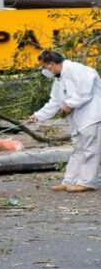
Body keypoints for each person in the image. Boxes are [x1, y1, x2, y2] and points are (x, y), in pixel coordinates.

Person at [27, 50, 101, 192]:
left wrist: (68, 106)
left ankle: (86, 182)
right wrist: (38, 116)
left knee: (89, 149)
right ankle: (69, 180)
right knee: (78, 149)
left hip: (92, 115)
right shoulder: (59, 79)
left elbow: (85, 92)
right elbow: (55, 101)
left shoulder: (77, 69)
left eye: (43, 67)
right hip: (79, 118)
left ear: (51, 64)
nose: (43, 70)